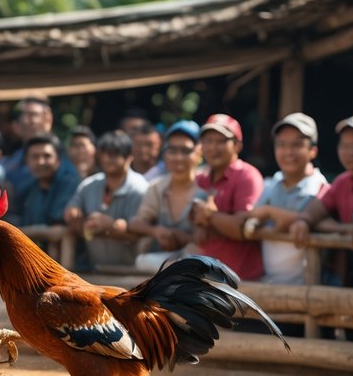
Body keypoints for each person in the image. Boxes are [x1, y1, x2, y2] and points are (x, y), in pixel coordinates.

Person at [290, 114, 353, 287]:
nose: (350, 152)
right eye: (344, 145)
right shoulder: (342, 182)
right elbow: (318, 208)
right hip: (351, 273)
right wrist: (303, 221)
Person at [234, 113, 328, 285]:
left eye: (297, 144)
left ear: (313, 151)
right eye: (281, 144)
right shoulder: (272, 182)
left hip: (307, 287)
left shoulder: (320, 187)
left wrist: (269, 212)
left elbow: (318, 222)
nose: (288, 151)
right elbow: (252, 214)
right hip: (269, 283)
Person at [189, 114, 264, 281]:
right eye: (208, 140)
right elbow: (191, 222)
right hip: (205, 277)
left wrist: (209, 216)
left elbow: (242, 228)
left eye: (221, 141)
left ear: (237, 145)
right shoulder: (200, 178)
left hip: (241, 281)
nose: (213, 147)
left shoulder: (247, 176)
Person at [63, 131, 148, 271]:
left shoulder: (140, 189)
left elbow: (144, 234)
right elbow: (70, 210)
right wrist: (73, 212)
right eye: (105, 153)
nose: (108, 158)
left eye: (115, 153)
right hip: (94, 268)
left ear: (129, 157)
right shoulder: (89, 185)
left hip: (132, 271)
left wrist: (111, 226)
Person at [128, 120, 205, 273]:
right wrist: (156, 231)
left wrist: (180, 238)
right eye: (172, 150)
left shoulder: (206, 188)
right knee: (142, 261)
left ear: (198, 153)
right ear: (165, 154)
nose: (178, 157)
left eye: (185, 151)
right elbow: (136, 223)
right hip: (163, 262)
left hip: (197, 263)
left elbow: (206, 240)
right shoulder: (157, 187)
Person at [5, 134, 81, 253]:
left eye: (47, 156)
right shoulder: (25, 188)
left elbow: (57, 229)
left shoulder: (70, 184)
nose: (41, 162)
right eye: (35, 157)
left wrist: (18, 232)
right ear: (27, 160)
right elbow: (14, 220)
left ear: (58, 159)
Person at [1, 96, 53, 188]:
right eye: (22, 115)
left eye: (32, 115)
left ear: (48, 119)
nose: (25, 120)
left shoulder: (60, 159)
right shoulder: (13, 160)